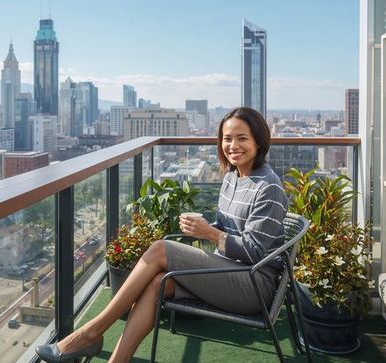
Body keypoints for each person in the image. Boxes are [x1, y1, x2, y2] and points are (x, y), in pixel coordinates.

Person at [36, 107, 288, 363]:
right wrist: (202, 228)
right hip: (228, 272)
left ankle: (91, 332)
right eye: (227, 138)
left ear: (259, 140)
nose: (233, 145)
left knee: (160, 249)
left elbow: (254, 252)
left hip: (255, 284)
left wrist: (209, 233)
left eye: (242, 138)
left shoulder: (268, 187)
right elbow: (224, 226)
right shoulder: (232, 178)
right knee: (158, 283)